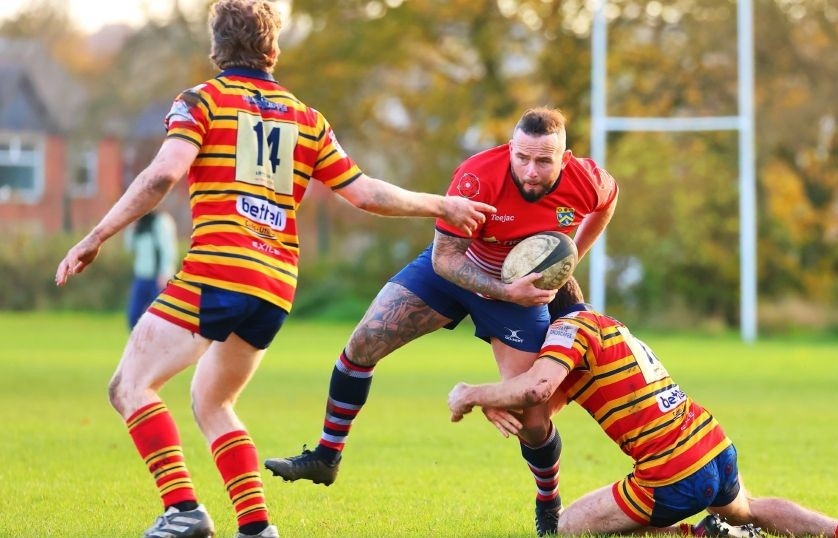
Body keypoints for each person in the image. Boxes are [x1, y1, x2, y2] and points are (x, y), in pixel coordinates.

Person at [54, 1, 494, 537]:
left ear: (217, 48)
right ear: (273, 50)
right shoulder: (308, 118)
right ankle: (257, 527)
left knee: (129, 387)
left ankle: (182, 510)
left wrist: (96, 234)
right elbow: (365, 193)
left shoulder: (202, 101)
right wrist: (440, 204)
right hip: (275, 284)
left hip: (218, 271)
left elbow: (162, 175)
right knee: (212, 401)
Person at [265, 107, 619, 536]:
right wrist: (504, 290)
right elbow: (444, 259)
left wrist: (573, 256)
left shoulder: (587, 181)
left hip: (520, 294)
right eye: (522, 157)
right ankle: (326, 455)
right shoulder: (478, 177)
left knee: (532, 416)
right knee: (363, 344)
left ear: (563, 159)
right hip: (457, 272)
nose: (529, 170)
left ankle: (548, 503)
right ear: (510, 148)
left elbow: (607, 202)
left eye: (543, 161)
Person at [447, 277, 838, 538]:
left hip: (671, 470)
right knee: (748, 508)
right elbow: (543, 404)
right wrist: (501, 398)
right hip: (711, 443)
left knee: (569, 530)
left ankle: (703, 537)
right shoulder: (608, 327)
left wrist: (470, 393)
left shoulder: (570, 331)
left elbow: (536, 388)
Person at [124, 210, 178, 330]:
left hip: (158, 278)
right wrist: (130, 229)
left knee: (160, 319)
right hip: (141, 277)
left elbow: (168, 250)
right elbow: (129, 248)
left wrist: (165, 273)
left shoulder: (161, 221)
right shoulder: (139, 224)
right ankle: (139, 345)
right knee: (133, 316)